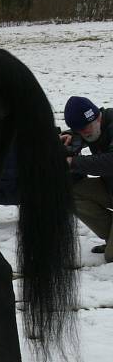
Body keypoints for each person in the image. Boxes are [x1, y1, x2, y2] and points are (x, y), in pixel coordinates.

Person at [62, 95, 113, 262]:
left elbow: (109, 162)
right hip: (109, 187)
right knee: (71, 192)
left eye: (87, 127)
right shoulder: (91, 126)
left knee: (111, 256)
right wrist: (69, 135)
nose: (85, 133)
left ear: (98, 117)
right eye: (79, 130)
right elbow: (83, 134)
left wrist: (73, 162)